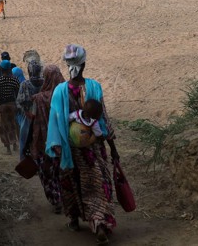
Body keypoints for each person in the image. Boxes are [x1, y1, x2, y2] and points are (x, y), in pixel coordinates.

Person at [46, 44, 119, 245]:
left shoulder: (60, 91)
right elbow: (104, 118)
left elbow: (54, 121)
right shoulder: (94, 87)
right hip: (93, 150)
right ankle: (99, 223)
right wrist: (113, 150)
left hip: (69, 150)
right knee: (97, 183)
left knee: (72, 184)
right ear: (84, 64)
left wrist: (57, 148)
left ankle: (74, 220)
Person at [30, 64, 66, 213]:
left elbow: (32, 118)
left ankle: (56, 200)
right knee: (63, 172)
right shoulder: (66, 95)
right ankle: (66, 198)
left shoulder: (38, 98)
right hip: (64, 142)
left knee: (47, 172)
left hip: (43, 142)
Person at [0, 60, 21, 154]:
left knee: (2, 126)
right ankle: (15, 144)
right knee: (13, 125)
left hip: (2, 106)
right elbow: (18, 92)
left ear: (1, 68)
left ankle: (8, 148)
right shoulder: (14, 79)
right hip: (12, 105)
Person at [16, 61, 44, 161]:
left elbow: (19, 102)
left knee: (24, 140)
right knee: (39, 140)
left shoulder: (25, 84)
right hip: (42, 117)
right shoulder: (44, 83)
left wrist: (27, 112)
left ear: (29, 71)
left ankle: (25, 162)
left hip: (27, 117)